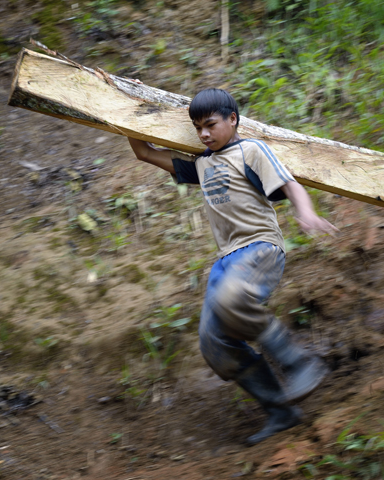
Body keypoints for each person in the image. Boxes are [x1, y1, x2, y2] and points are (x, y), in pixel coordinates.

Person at [127, 88, 338, 445]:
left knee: (231, 299)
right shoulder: (201, 164)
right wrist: (125, 112)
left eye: (210, 125)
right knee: (214, 347)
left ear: (232, 120)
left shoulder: (251, 151)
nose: (204, 134)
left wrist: (306, 213)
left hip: (259, 248)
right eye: (198, 128)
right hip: (226, 261)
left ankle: (298, 363)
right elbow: (144, 152)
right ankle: (281, 411)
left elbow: (290, 183)